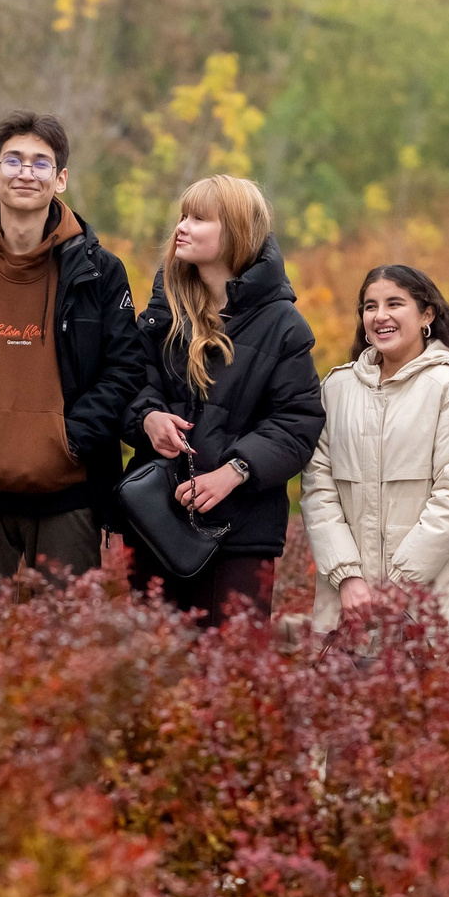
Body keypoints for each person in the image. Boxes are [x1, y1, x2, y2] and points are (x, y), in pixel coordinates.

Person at [0, 109, 147, 579]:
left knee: (67, 645)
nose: (26, 172)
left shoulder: (100, 271)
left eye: (40, 163)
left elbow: (124, 370)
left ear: (59, 180)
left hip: (70, 496)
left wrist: (71, 440)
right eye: (13, 160)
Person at [128, 175, 325, 627]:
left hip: (241, 531)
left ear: (235, 232)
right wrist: (148, 417)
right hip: (155, 517)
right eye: (182, 215)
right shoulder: (165, 306)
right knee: (152, 674)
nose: (182, 226)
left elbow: (298, 422)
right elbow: (129, 380)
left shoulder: (284, 324)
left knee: (233, 678)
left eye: (199, 218)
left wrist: (234, 473)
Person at [300, 264, 449, 632]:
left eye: (394, 303)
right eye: (370, 306)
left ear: (427, 315)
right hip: (348, 607)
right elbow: (317, 492)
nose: (380, 316)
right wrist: (349, 578)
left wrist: (398, 585)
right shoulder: (337, 389)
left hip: (428, 609)